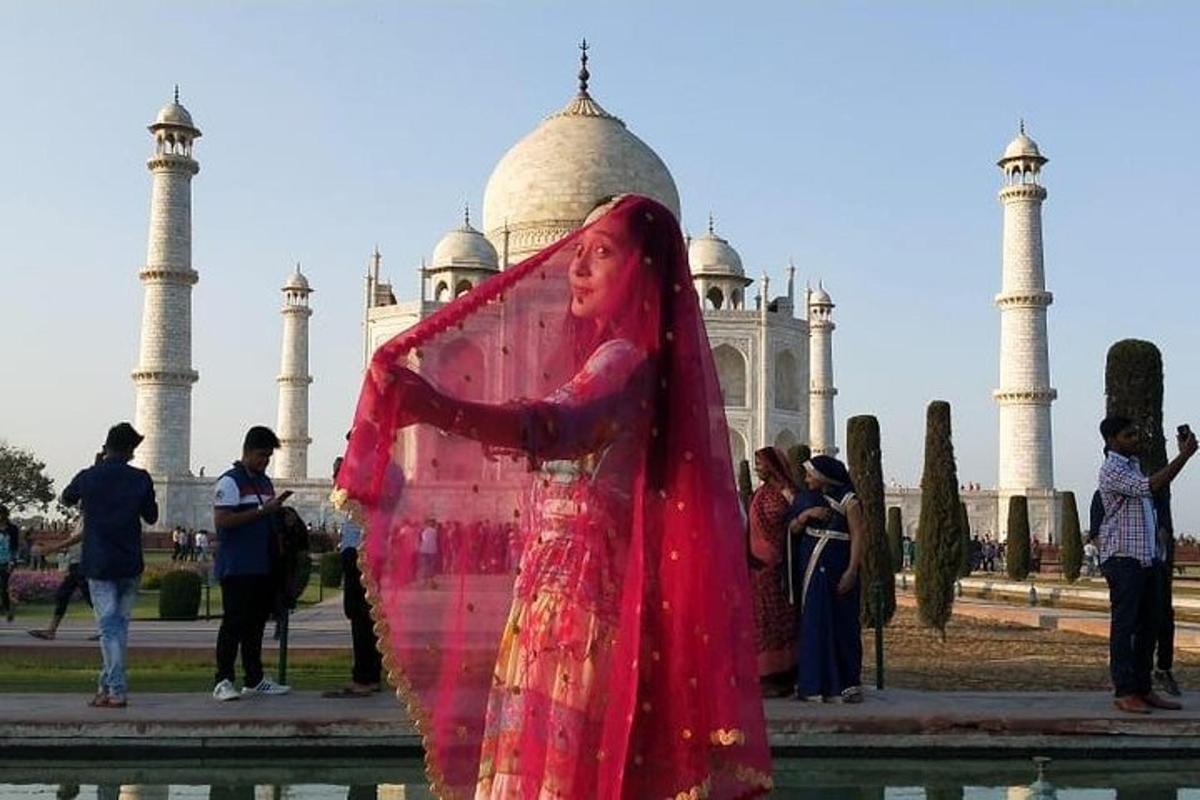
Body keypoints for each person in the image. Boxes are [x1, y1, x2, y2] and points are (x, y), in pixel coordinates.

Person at [334, 195, 771, 798]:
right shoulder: (624, 363)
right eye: (577, 251)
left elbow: (549, 428)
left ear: (641, 271)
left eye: (602, 253)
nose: (577, 267)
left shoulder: (623, 361)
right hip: (573, 604)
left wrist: (432, 405)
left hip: (580, 613)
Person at [1096, 415, 1195, 714]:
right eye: (1129, 436)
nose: (1136, 439)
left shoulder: (1132, 466)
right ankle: (1125, 690)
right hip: (1124, 559)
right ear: (1113, 440)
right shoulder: (1112, 469)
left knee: (1150, 626)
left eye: (1136, 434)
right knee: (1125, 628)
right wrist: (1184, 456)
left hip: (1146, 559)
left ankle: (1143, 688)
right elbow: (1149, 487)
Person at [61, 422, 158, 708]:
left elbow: (67, 497)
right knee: (117, 628)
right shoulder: (141, 478)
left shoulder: (90, 476)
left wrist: (94, 471)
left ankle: (115, 689)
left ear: (105, 448)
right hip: (129, 562)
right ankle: (105, 685)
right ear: (130, 451)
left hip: (100, 562)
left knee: (109, 628)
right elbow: (151, 517)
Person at [211, 426, 292, 702]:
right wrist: (261, 511)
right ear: (246, 451)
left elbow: (265, 518)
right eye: (261, 455)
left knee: (255, 625)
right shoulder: (230, 482)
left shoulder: (264, 483)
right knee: (233, 623)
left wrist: (279, 516)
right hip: (236, 566)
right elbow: (222, 521)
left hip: (260, 565)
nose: (265, 461)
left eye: (268, 457)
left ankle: (254, 678)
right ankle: (222, 680)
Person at [788, 456, 864, 703]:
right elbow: (792, 531)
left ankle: (845, 683)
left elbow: (858, 536)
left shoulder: (848, 500)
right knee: (814, 623)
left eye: (811, 475)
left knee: (842, 623)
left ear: (824, 477)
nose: (807, 479)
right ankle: (813, 684)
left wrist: (852, 570)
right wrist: (806, 515)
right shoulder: (807, 499)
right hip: (811, 569)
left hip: (838, 568)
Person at [323, 453, 383, 698]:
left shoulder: (369, 476)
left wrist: (343, 477)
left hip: (361, 550)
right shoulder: (385, 472)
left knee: (360, 615)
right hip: (369, 548)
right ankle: (371, 674)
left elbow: (343, 498)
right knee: (368, 616)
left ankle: (363, 677)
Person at [747, 446, 800, 697]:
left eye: (761, 463)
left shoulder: (788, 493)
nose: (757, 467)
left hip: (778, 567)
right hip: (757, 568)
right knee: (761, 622)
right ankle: (763, 675)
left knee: (780, 622)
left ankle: (781, 677)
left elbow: (794, 525)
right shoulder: (760, 492)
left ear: (773, 466)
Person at [0, 505, 17, 622]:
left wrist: (12, 562)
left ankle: (8, 609)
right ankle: (11, 604)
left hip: (6, 561)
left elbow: (14, 547)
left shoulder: (12, 529)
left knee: (3, 588)